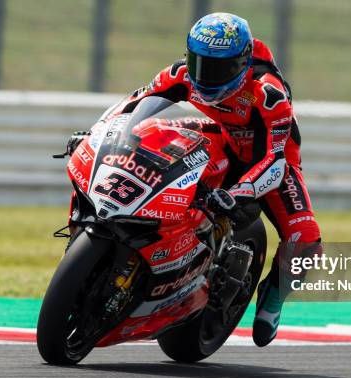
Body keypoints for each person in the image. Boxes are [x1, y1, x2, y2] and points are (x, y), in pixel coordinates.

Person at [96, 12, 321, 346]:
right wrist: (101, 135)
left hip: (270, 163)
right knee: (153, 136)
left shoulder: (267, 92)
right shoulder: (182, 73)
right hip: (225, 140)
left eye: (220, 68)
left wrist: (240, 192)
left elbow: (273, 161)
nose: (206, 75)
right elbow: (135, 105)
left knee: (307, 240)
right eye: (199, 63)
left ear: (243, 62)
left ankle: (273, 297)